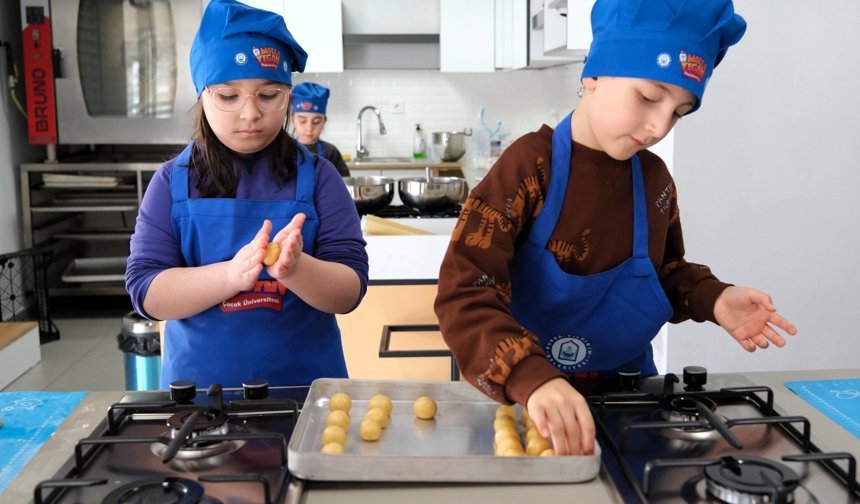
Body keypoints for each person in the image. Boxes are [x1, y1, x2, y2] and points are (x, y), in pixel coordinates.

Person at [434, 0, 797, 457]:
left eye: (679, 112)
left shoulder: (654, 181)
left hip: (630, 401)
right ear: (593, 75)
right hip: (527, 403)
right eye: (648, 97)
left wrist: (713, 297)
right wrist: (531, 378)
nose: (658, 126)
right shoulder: (529, 167)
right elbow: (464, 291)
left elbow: (664, 273)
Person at [125, 0, 368, 389]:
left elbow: (350, 289)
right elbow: (147, 292)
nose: (250, 113)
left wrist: (296, 269)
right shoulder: (172, 182)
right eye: (228, 96)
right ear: (202, 96)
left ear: (288, 96)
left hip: (307, 397)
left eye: (268, 96)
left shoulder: (321, 178)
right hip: (200, 401)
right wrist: (230, 275)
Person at [290, 82, 351, 177]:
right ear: (292, 120)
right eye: (302, 121)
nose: (309, 128)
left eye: (316, 121)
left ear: (324, 122)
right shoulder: (284, 151)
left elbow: (344, 184)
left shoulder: (331, 152)